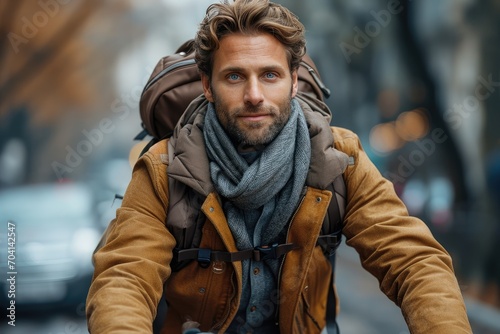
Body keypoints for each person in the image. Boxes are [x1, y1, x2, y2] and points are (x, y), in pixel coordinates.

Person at [86, 1, 472, 333]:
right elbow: (124, 280)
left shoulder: (339, 157)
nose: (254, 95)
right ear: (208, 85)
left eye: (269, 75)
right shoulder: (163, 169)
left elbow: (414, 261)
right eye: (234, 76)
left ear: (293, 83)